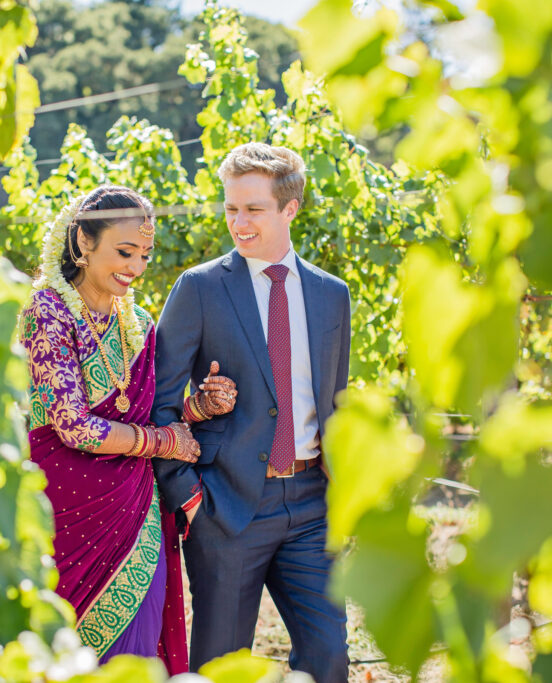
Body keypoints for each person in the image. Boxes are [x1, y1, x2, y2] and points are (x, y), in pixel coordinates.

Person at [152, 144, 352, 682]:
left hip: (312, 505)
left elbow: (335, 403)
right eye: (231, 209)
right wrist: (190, 498)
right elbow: (159, 402)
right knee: (220, 668)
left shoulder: (332, 295)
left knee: (330, 658)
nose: (239, 224)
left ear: (290, 208)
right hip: (226, 507)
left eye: (253, 210)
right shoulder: (199, 288)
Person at [18, 185, 237, 674]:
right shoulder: (47, 312)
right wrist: (164, 442)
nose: (136, 266)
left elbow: (151, 412)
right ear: (83, 241)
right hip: (66, 517)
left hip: (133, 519)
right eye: (124, 252)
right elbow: (74, 426)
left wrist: (199, 407)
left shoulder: (137, 321)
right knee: (62, 659)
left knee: (134, 659)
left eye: (145, 254)